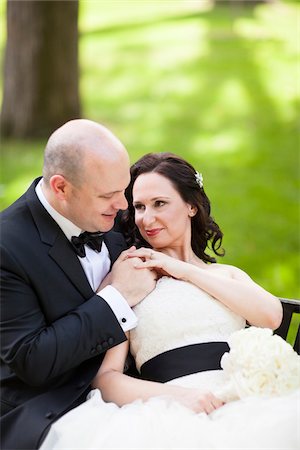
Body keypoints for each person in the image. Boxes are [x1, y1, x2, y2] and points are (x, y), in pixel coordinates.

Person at [39, 152, 299, 450]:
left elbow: (272, 316)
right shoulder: (133, 277)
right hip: (169, 410)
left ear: (191, 205)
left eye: (159, 204)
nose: (146, 219)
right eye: (139, 207)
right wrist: (181, 398)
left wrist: (184, 270)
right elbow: (107, 378)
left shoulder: (224, 274)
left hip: (246, 399)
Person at [0, 120, 157, 450]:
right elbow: (33, 360)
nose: (125, 206)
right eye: (109, 195)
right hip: (51, 407)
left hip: (140, 388)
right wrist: (116, 298)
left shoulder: (116, 214)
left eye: (124, 189)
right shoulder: (7, 247)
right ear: (61, 188)